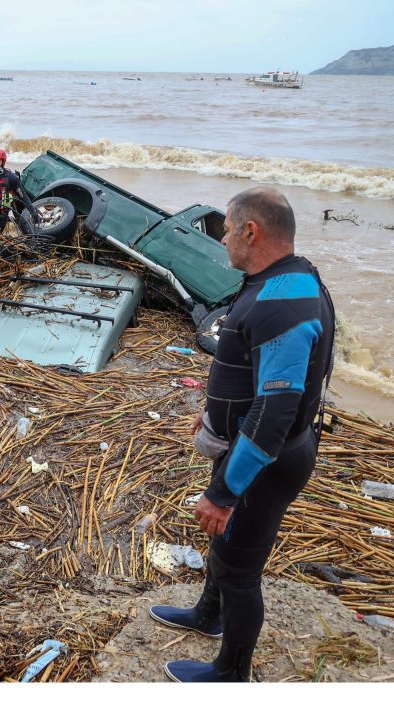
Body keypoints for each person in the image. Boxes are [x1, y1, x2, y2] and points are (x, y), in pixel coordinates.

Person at [153, 187, 335, 683]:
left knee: (238, 568)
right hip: (249, 445)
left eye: (228, 231)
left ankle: (231, 674)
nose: (225, 240)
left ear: (251, 231)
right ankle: (208, 617)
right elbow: (259, 372)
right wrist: (214, 414)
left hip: (267, 459)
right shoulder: (287, 277)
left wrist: (223, 492)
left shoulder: (284, 304)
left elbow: (276, 411)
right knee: (224, 544)